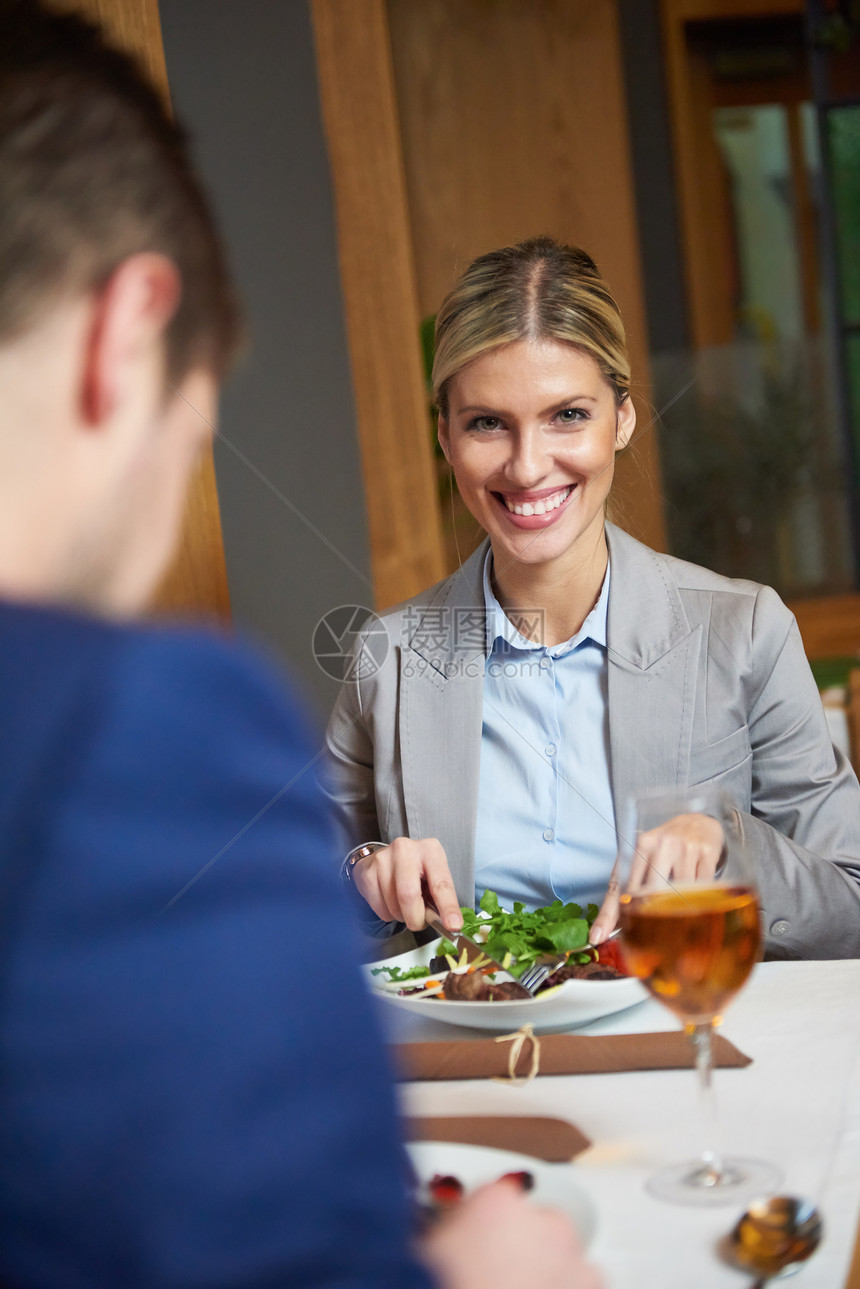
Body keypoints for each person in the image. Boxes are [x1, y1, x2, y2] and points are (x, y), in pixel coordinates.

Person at [0, 7, 601, 1288]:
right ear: (129, 335)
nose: (527, 461)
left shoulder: (728, 623)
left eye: (564, 416)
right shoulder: (142, 722)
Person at [325, 237, 860, 961]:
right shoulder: (385, 659)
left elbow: (850, 900)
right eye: (487, 422)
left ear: (625, 417)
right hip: (478, 1062)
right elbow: (290, 891)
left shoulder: (747, 632)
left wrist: (729, 847)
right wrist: (362, 875)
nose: (528, 464)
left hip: (685, 1046)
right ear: (445, 437)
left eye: (567, 415)